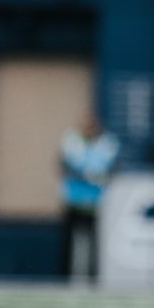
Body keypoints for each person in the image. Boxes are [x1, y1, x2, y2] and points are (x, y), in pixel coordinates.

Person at [59, 117, 119, 282]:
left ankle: (93, 277)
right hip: (74, 199)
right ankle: (65, 277)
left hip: (94, 201)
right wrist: (86, 176)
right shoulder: (71, 142)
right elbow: (64, 166)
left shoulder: (107, 144)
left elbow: (113, 168)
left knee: (94, 243)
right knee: (69, 242)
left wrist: (101, 177)